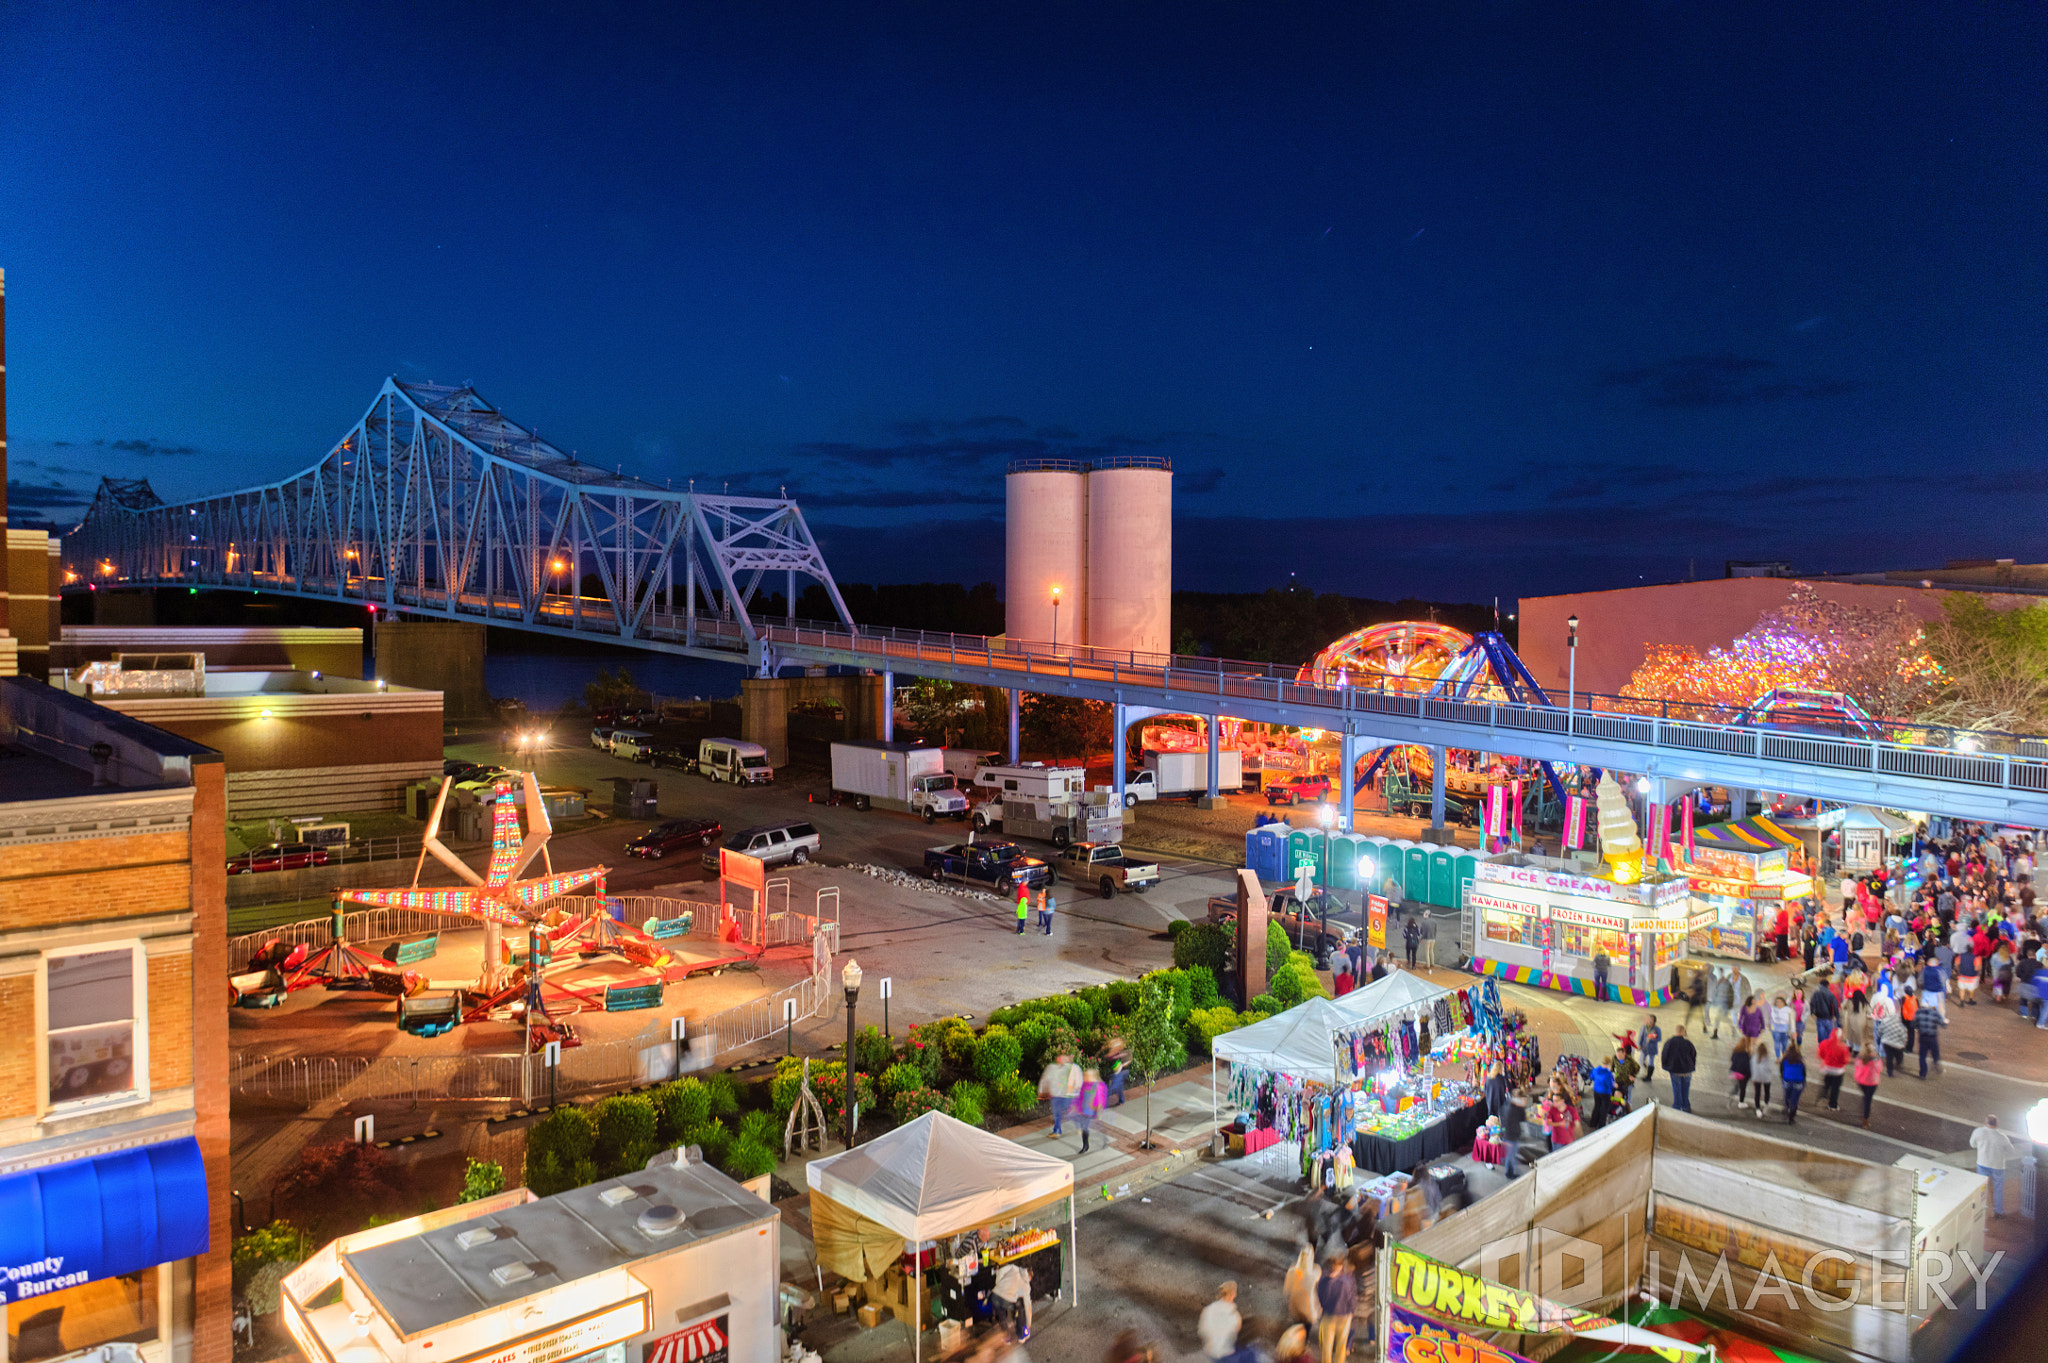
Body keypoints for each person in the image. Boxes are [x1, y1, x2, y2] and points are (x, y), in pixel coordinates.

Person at [1972, 1115, 2018, 1218]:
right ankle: (1998, 1211)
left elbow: (1972, 1144)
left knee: (1981, 1187)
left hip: (1982, 1163)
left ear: (1986, 1122)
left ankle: (1980, 1209)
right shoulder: (2002, 1137)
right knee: (1998, 1188)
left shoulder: (1978, 1132)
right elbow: (2011, 1151)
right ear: (1997, 1124)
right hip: (1998, 1165)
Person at [1315, 1256, 1356, 1363]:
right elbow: (1351, 1298)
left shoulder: (1323, 1281)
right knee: (1341, 1345)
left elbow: (1321, 1298)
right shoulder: (1347, 1280)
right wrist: (1352, 1312)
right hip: (1344, 1316)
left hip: (1328, 1316)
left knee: (1327, 1346)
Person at [1198, 1282, 1251, 1363]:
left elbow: (1202, 1330)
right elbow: (1235, 1333)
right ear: (1233, 1294)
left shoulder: (1208, 1309)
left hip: (1209, 1351)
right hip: (1225, 1354)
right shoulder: (1234, 1315)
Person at [1039, 1053, 1082, 1134]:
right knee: (1057, 1113)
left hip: (1070, 1095)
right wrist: (1044, 1090)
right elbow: (1048, 1079)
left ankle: (1078, 1127)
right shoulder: (1055, 1068)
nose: (1061, 1059)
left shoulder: (1074, 1068)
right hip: (1057, 1095)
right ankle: (1057, 1131)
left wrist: (1074, 1090)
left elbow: (1078, 1081)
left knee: (1070, 1113)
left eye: (1064, 1058)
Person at [993, 1259, 1033, 1340]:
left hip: (995, 1295)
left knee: (1002, 1315)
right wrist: (1028, 1324)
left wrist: (998, 1284)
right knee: (1020, 1309)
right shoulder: (1026, 1285)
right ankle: (1021, 1335)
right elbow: (1028, 1305)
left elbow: (1000, 1272)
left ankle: (1006, 1337)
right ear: (1029, 1277)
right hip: (1007, 1300)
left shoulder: (1013, 1268)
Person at [1283, 1247, 1322, 1330]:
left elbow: (1287, 1290)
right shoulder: (1314, 1274)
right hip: (1308, 1312)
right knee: (1305, 1331)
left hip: (1295, 1309)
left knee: (1295, 1328)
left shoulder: (1292, 1271)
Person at [1661, 1026, 1697, 1112]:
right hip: (1687, 1071)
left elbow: (1664, 1054)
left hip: (1675, 1070)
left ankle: (1677, 1106)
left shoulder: (1669, 1042)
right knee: (1686, 1088)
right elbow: (1694, 1054)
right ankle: (1686, 1106)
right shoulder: (1688, 1043)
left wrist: (1666, 1066)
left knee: (1676, 1088)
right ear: (1683, 1032)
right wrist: (1691, 1066)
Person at [1817, 1028, 1851, 1111]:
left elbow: (1821, 1054)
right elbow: (1845, 1060)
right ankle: (1832, 1105)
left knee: (1827, 1083)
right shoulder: (1843, 1047)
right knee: (1835, 1088)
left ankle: (1823, 1097)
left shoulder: (1824, 1043)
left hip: (1826, 1068)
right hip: (1838, 1071)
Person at [1075, 1067, 1107, 1151]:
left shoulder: (1096, 1086)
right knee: (1084, 1127)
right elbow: (1080, 1096)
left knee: (1085, 1128)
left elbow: (1100, 1099)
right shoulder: (1085, 1084)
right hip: (1084, 1110)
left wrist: (1098, 1110)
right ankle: (1086, 1144)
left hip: (1091, 1111)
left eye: (1086, 1076)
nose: (1084, 1077)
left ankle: (1085, 1146)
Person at [1916, 992, 1945, 1078]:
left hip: (1922, 1036)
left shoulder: (1919, 1012)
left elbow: (1914, 1024)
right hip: (1932, 1036)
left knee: (1922, 1055)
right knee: (1935, 1051)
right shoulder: (1934, 1012)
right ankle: (1936, 1062)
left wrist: (1919, 1027)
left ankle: (1923, 1073)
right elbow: (1941, 1022)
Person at [1853, 1043, 1882, 1127]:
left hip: (1861, 1081)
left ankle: (1865, 1109)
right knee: (1868, 1100)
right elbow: (1880, 1068)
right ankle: (1865, 1119)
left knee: (1866, 1097)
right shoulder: (1876, 1060)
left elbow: (1856, 1066)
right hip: (1872, 1082)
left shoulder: (1859, 1058)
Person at [1779, 1043, 1807, 1124]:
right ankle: (1791, 1117)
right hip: (1798, 1081)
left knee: (1787, 1096)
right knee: (1794, 1100)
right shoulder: (1800, 1060)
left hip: (1787, 1080)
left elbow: (1781, 1069)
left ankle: (1786, 1108)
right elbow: (1803, 1072)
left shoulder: (1785, 1059)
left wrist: (1783, 1077)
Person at [1728, 1036, 1754, 1111]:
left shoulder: (1735, 1051)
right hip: (1743, 1074)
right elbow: (1748, 1066)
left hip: (1734, 1072)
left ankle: (1731, 1096)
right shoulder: (1747, 1054)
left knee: (1736, 1086)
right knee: (1743, 1089)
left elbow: (1732, 1060)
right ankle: (1741, 1102)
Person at [1588, 1056, 1615, 1129]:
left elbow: (1591, 1077)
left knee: (1597, 1106)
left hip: (1596, 1091)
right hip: (1605, 1093)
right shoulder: (1609, 1074)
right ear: (1609, 1064)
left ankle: (1593, 1123)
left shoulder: (1596, 1070)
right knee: (1604, 1109)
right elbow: (1610, 1085)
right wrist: (1614, 1084)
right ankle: (1601, 1126)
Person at [1641, 1013, 1663, 1085]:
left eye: (1652, 1020)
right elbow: (1643, 1036)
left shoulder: (1657, 1029)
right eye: (1649, 1019)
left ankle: (1649, 1076)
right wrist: (1640, 1044)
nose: (1650, 1021)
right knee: (1643, 1061)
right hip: (1645, 1047)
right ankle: (1646, 1072)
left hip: (1652, 1048)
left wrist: (1651, 1040)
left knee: (1651, 1061)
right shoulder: (1645, 1027)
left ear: (1654, 1021)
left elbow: (1659, 1039)